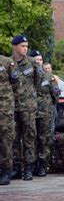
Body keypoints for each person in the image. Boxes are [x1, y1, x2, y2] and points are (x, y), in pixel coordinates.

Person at [10, 35, 42, 181]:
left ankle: (29, 168)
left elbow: (38, 82)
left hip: (28, 107)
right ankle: (16, 168)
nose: (25, 49)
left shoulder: (32, 63)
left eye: (27, 46)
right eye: (22, 46)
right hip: (12, 106)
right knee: (14, 138)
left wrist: (31, 97)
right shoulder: (8, 63)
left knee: (29, 137)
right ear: (15, 46)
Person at [29, 50, 60, 177]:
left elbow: (56, 94)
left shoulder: (49, 77)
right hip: (29, 113)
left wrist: (47, 104)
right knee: (30, 140)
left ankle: (42, 166)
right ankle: (30, 166)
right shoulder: (27, 77)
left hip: (44, 113)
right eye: (36, 60)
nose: (38, 62)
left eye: (40, 60)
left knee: (44, 139)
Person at [0, 54, 19, 185]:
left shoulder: (6, 62)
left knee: (5, 138)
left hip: (4, 108)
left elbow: (16, 83)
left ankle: (6, 170)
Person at [43, 62, 60, 134]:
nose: (47, 70)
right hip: (44, 105)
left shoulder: (54, 78)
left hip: (52, 104)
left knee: (52, 123)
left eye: (48, 68)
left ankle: (51, 140)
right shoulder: (41, 78)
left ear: (51, 69)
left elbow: (57, 91)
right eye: (45, 68)